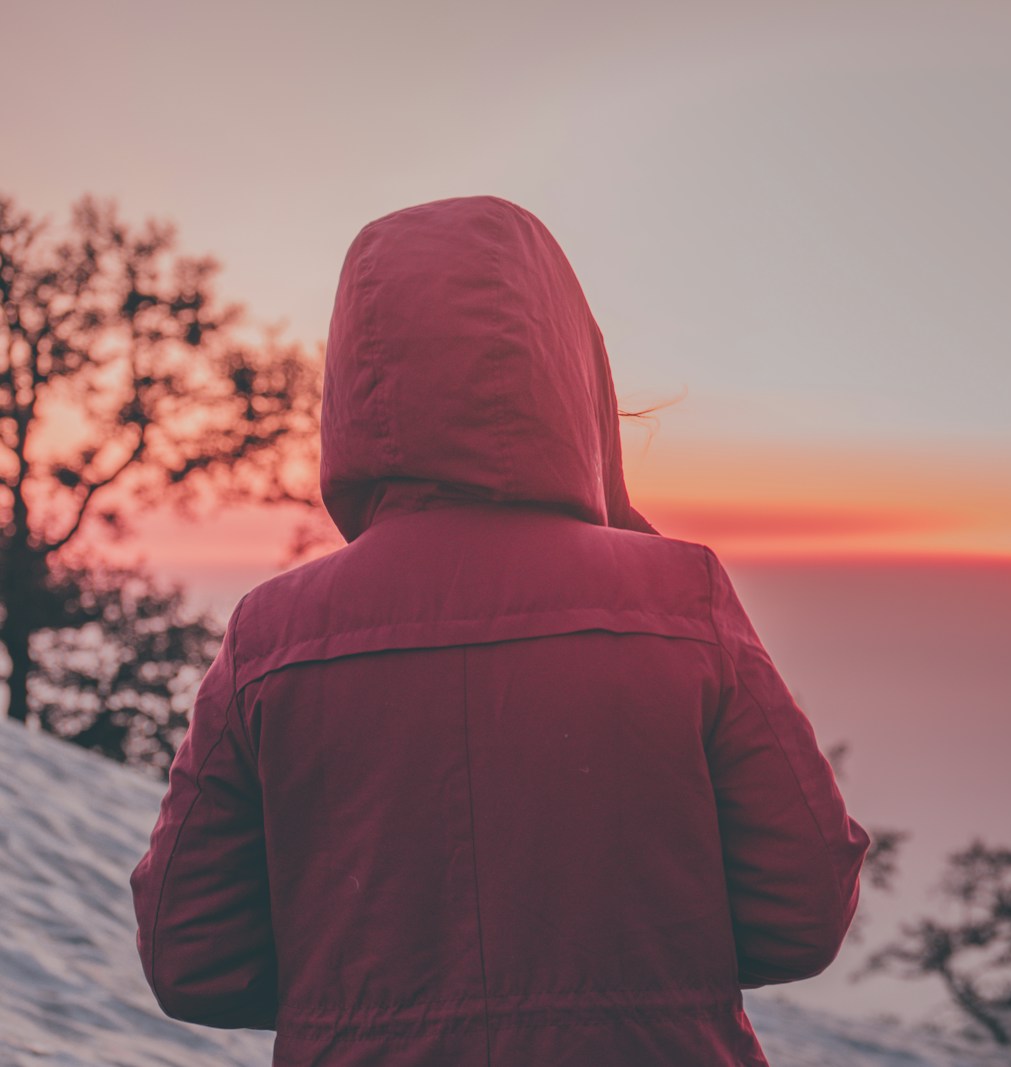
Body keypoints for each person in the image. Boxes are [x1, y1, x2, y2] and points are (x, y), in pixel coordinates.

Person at [128, 195, 872, 1066]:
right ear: (569, 370)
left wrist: (356, 999)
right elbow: (804, 911)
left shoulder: (273, 636)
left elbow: (191, 957)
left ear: (354, 388)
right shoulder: (679, 600)